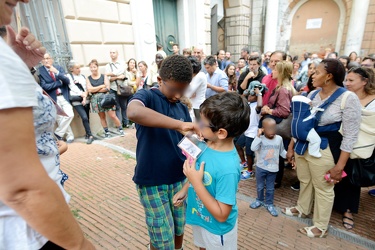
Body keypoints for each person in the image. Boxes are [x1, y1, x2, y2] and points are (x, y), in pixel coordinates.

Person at [0, 2, 94, 249]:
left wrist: (19, 63)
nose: (25, 1)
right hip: (28, 230)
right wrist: (80, 244)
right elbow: (23, 189)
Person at [282, 59, 361, 238]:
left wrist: (339, 167)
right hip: (304, 145)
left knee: (323, 188)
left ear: (329, 76)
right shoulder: (312, 95)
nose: (312, 75)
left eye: (317, 72)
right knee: (305, 180)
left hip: (325, 148)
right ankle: (302, 209)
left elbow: (350, 136)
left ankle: (320, 226)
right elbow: (299, 123)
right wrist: (292, 147)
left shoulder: (348, 98)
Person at [127, 55, 195, 250]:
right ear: (159, 80)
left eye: (183, 90)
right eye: (174, 89)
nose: (177, 95)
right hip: (152, 182)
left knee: (178, 228)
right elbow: (133, 113)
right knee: (161, 236)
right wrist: (179, 125)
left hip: (178, 179)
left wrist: (196, 144)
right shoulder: (147, 97)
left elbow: (184, 142)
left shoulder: (182, 106)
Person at [173, 92, 250, 250]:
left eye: (202, 123)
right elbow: (202, 176)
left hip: (217, 230)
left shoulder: (228, 168)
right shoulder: (205, 144)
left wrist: (195, 182)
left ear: (221, 132)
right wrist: (186, 189)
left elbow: (222, 214)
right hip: (201, 217)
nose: (197, 124)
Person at [334, 66, 375, 229]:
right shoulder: (344, 97)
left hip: (363, 145)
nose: (347, 83)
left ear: (364, 82)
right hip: (341, 142)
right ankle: (334, 204)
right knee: (337, 174)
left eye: (351, 80)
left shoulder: (373, 101)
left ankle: (348, 210)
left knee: (352, 178)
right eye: (346, 80)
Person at [250, 118, 287, 216]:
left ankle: (269, 203)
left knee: (270, 188)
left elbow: (282, 151)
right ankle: (259, 200)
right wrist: (258, 135)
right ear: (263, 129)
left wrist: (289, 156)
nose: (272, 131)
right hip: (261, 168)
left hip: (273, 169)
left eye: (274, 128)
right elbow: (253, 148)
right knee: (260, 186)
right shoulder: (260, 139)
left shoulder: (279, 139)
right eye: (269, 128)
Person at [39, 52, 75, 142]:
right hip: (53, 98)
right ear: (41, 61)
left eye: (48, 58)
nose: (46, 60)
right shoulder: (40, 71)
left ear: (52, 59)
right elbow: (45, 86)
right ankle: (69, 136)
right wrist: (59, 83)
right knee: (61, 118)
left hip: (63, 96)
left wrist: (57, 72)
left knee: (70, 115)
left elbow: (67, 81)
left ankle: (57, 134)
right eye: (44, 59)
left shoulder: (58, 68)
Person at [87, 59, 124, 138]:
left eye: (94, 67)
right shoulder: (88, 78)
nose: (93, 69)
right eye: (91, 67)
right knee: (102, 117)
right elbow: (89, 89)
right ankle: (106, 132)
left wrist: (95, 89)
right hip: (96, 100)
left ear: (97, 67)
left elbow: (107, 88)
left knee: (112, 115)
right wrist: (101, 86)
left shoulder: (104, 76)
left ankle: (120, 129)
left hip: (106, 98)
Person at [236, 82, 265, 180]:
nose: (249, 96)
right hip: (246, 131)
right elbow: (241, 98)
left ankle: (249, 171)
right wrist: (247, 92)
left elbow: (260, 105)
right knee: (238, 145)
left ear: (256, 97)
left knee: (249, 153)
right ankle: (244, 163)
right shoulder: (249, 104)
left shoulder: (257, 106)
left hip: (252, 133)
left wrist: (259, 93)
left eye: (252, 95)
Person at [66, 60, 94, 144]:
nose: (79, 69)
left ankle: (87, 133)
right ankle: (90, 135)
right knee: (84, 117)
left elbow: (86, 87)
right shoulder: (69, 76)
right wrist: (83, 95)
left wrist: (85, 95)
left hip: (86, 99)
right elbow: (73, 87)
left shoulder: (82, 76)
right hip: (77, 100)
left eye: (79, 67)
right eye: (77, 68)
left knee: (87, 117)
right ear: (71, 69)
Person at [105, 49, 126, 123]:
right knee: (116, 106)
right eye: (110, 52)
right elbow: (108, 78)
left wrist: (111, 74)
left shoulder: (122, 63)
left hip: (122, 87)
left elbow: (121, 71)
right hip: (113, 88)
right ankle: (119, 124)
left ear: (117, 54)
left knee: (124, 106)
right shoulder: (108, 65)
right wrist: (117, 77)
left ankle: (126, 122)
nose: (112, 54)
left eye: (113, 52)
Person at [185, 56, 207, 121]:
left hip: (197, 106)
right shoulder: (197, 76)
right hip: (193, 105)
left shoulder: (200, 76)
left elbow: (188, 94)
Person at [121, 58, 138, 127]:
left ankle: (133, 120)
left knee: (133, 106)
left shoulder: (136, 72)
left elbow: (139, 79)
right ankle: (126, 122)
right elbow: (128, 82)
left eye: (133, 63)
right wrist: (135, 83)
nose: (132, 64)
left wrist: (136, 73)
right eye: (131, 62)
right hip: (127, 91)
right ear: (128, 64)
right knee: (125, 106)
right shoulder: (126, 72)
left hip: (134, 91)